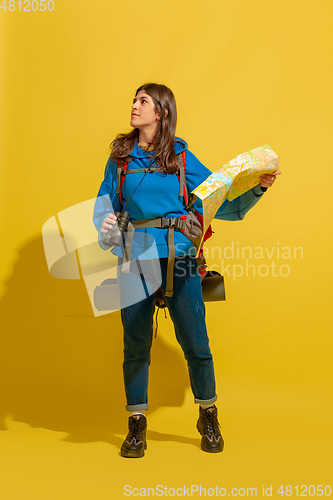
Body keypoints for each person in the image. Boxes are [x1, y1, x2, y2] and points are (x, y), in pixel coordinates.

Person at [93, 83, 280, 458]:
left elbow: (217, 197)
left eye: (142, 101)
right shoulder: (121, 158)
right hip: (136, 255)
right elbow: (104, 204)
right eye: (134, 99)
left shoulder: (180, 156)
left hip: (180, 255)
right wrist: (106, 222)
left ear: (160, 112)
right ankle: (136, 424)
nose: (134, 106)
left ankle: (208, 414)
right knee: (135, 343)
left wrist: (256, 188)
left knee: (196, 341)